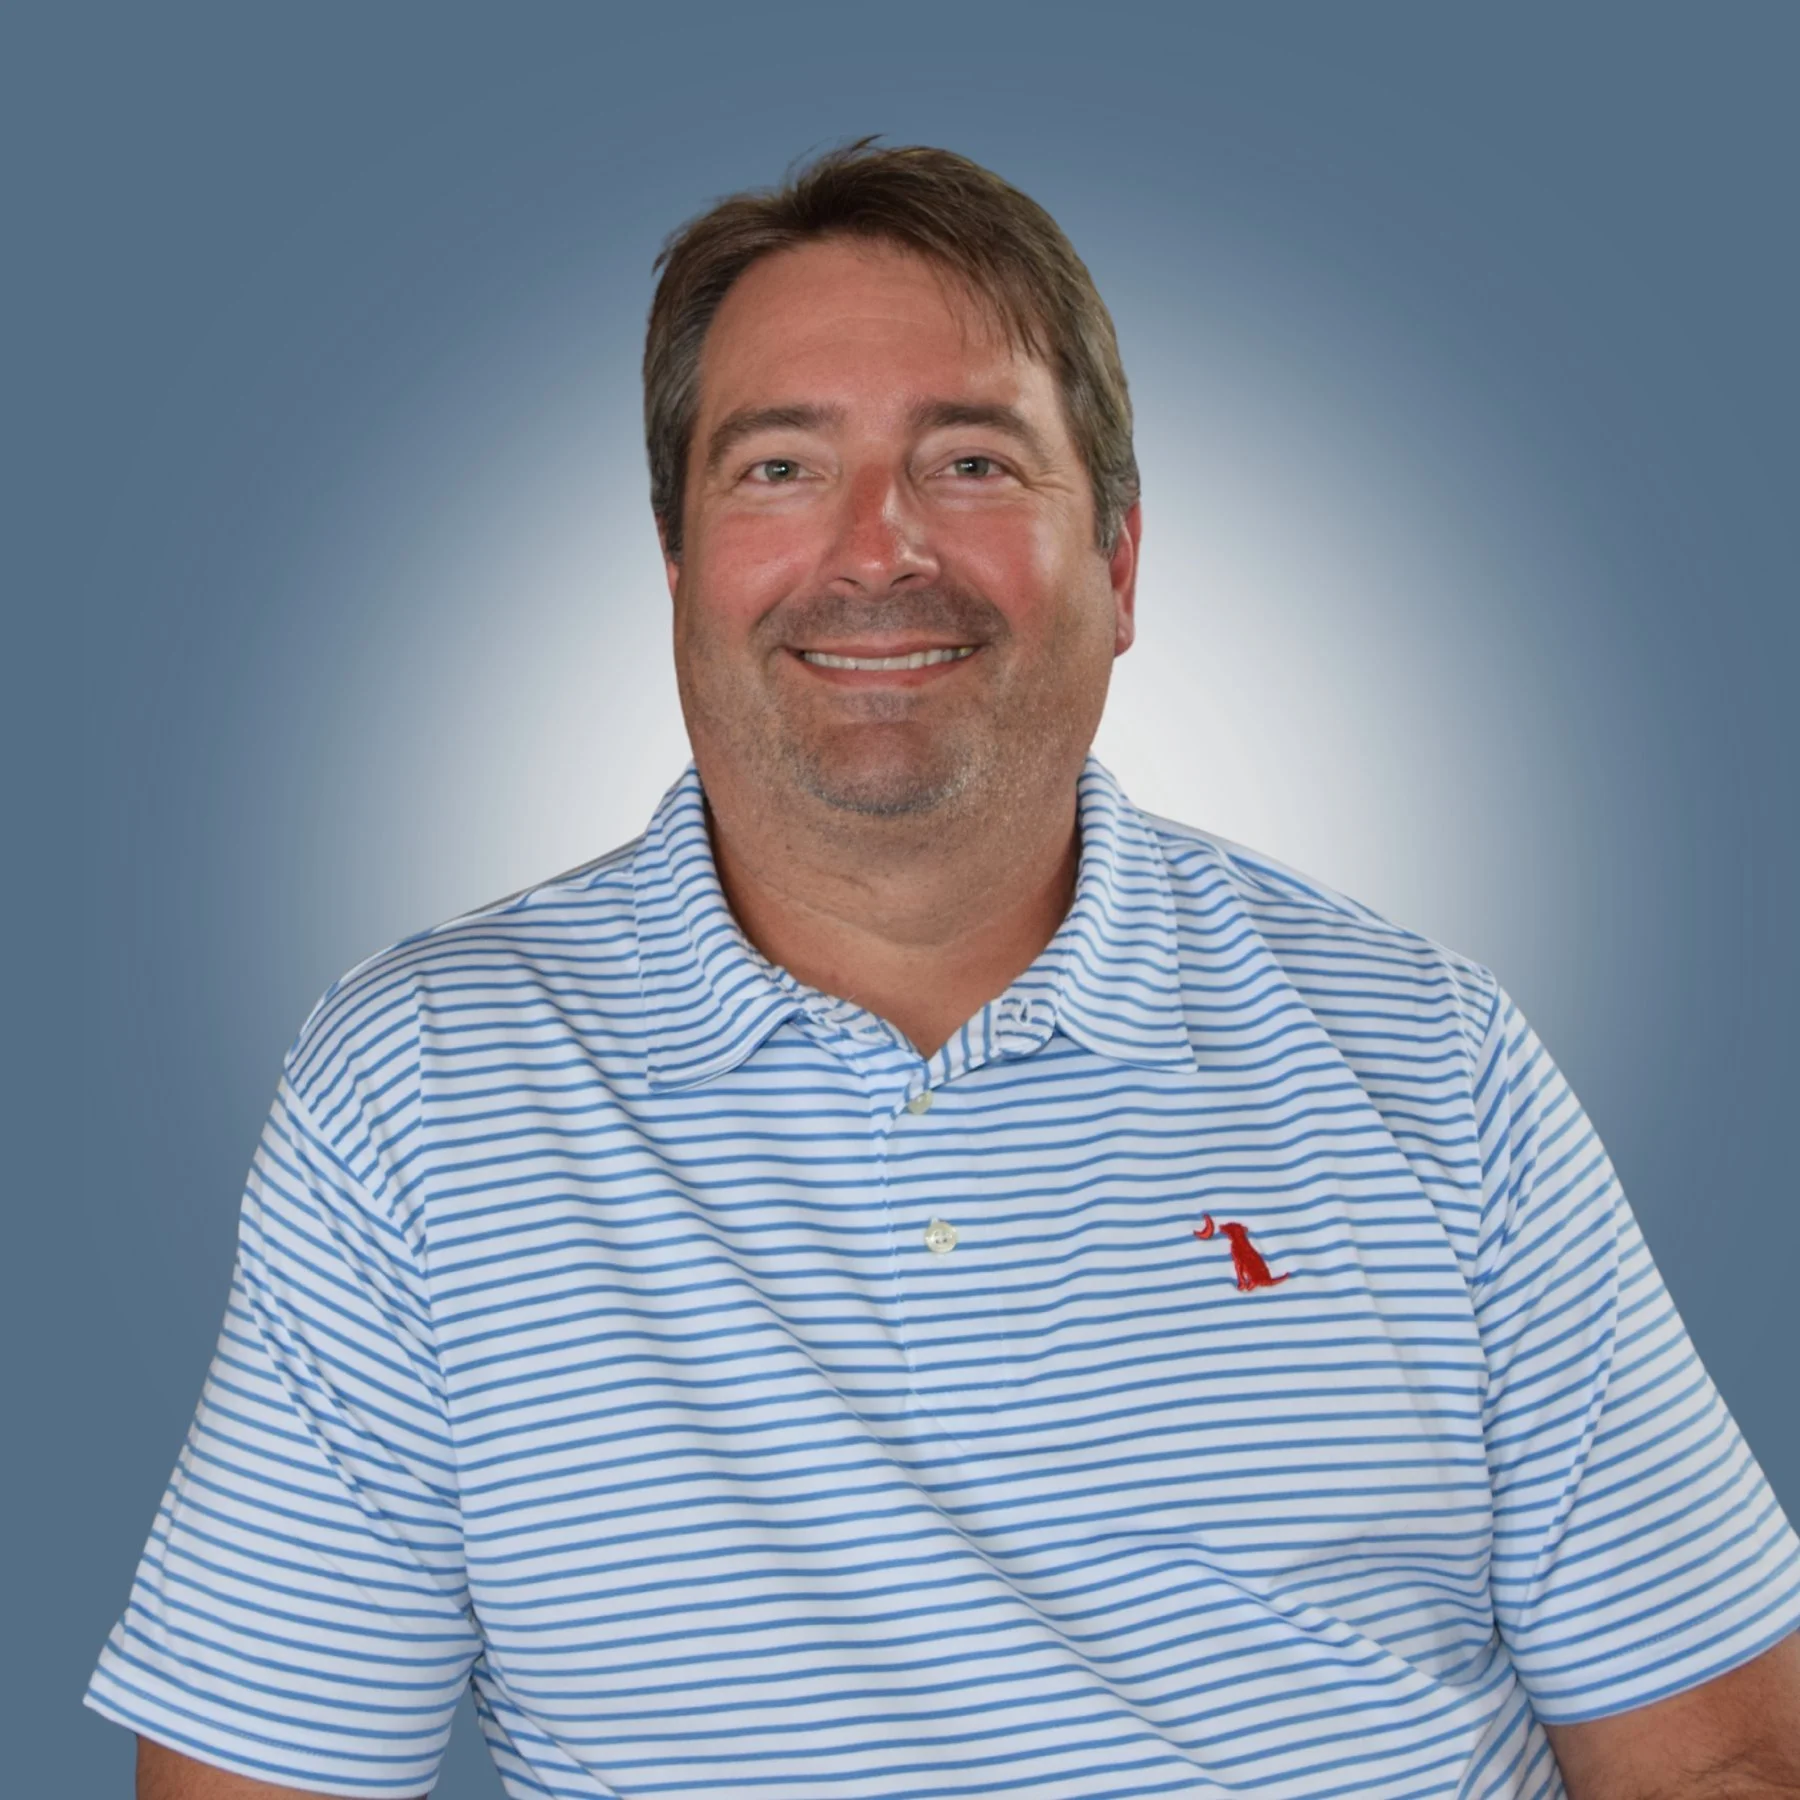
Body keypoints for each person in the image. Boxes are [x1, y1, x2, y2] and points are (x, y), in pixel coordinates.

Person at [91, 141, 1800, 1800]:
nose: (878, 547)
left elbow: (1719, 1750)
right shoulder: (422, 1089)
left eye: (973, 461)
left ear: (1118, 567)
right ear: (677, 572)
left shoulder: (1431, 1056)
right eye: (778, 466)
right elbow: (261, 1777)